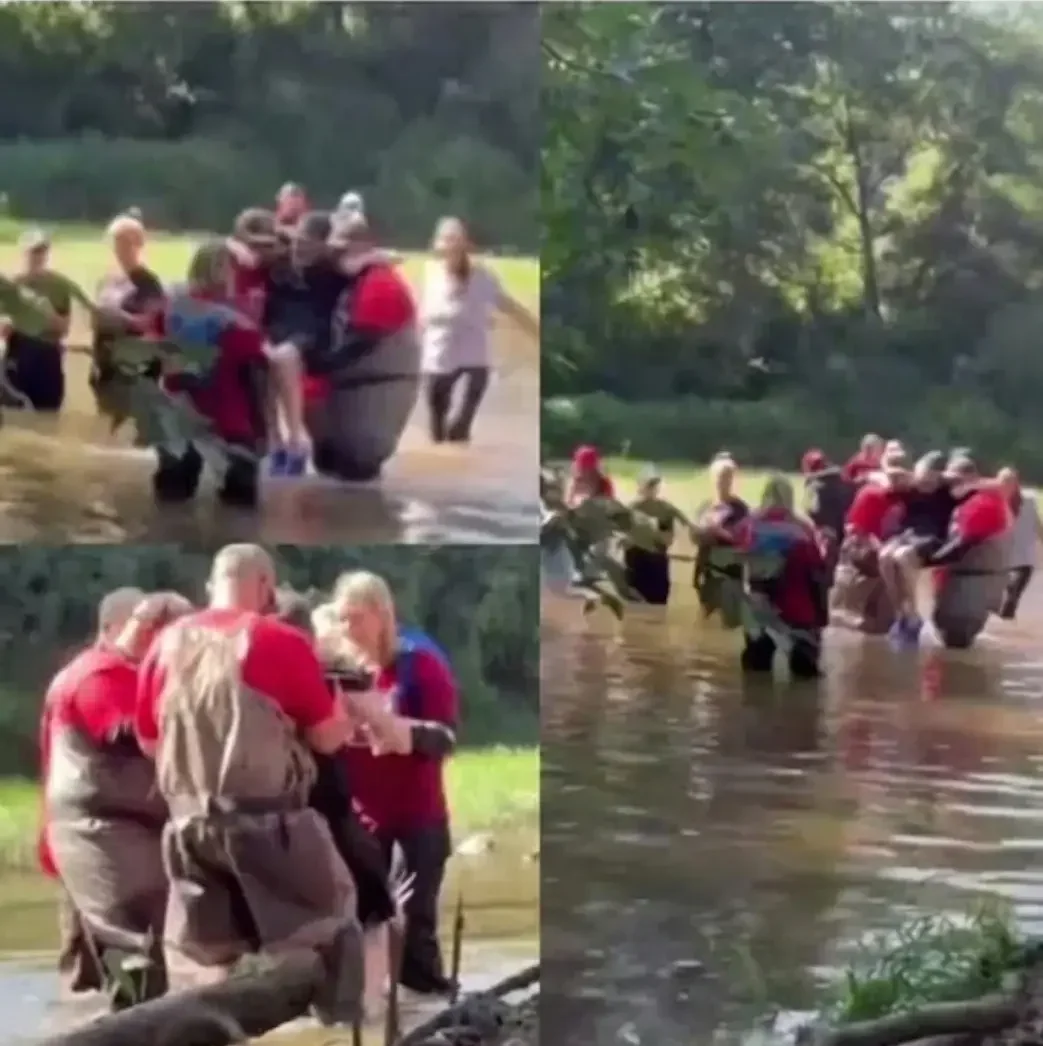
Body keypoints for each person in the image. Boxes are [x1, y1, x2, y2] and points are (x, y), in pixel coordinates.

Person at [133, 545, 401, 1023]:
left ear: (213, 585)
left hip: (188, 828)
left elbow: (149, 742)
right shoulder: (277, 639)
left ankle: (216, 1030)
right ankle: (345, 1029)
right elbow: (327, 737)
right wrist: (345, 711)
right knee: (334, 928)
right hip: (268, 824)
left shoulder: (164, 645)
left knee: (211, 957)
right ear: (264, 586)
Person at [44, 591, 193, 1007]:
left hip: (117, 831)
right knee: (134, 949)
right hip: (101, 835)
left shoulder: (124, 674)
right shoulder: (97, 675)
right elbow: (125, 733)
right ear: (145, 630)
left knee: (91, 970)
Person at [330, 571, 459, 999]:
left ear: (382, 615)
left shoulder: (419, 664)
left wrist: (403, 732)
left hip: (417, 818)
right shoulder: (340, 670)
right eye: (341, 618)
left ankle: (430, 1009)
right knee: (361, 922)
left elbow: (447, 738)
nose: (347, 628)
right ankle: (365, 1009)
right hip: (362, 820)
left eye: (356, 618)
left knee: (412, 927)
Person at [38, 587, 144, 997]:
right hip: (90, 845)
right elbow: (123, 734)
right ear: (113, 627)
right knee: (88, 966)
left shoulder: (98, 671)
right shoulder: (98, 675)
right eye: (141, 625)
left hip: (86, 840)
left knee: (91, 959)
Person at [419, 217, 539, 444]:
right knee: (436, 428)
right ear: (437, 245)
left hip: (474, 354)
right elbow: (423, 311)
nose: (451, 246)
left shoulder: (482, 276)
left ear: (465, 245)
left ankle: (461, 432)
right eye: (446, 240)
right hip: (438, 355)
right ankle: (444, 445)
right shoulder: (431, 272)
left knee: (461, 427)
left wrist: (535, 329)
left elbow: (508, 305)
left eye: (456, 240)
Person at [739, 475, 828, 678]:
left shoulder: (751, 524)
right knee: (804, 675)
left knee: (756, 673)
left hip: (760, 605)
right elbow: (817, 565)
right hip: (798, 606)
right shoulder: (803, 526)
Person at [878, 451, 956, 647]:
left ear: (938, 476)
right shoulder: (910, 488)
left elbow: (981, 483)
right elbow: (886, 479)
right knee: (885, 556)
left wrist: (943, 477)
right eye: (920, 478)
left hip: (933, 535)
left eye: (928, 479)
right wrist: (906, 476)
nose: (923, 484)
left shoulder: (947, 491)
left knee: (903, 556)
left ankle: (913, 615)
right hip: (908, 532)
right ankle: (900, 613)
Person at [91, 214, 166, 391]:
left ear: (139, 245)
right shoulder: (107, 281)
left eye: (126, 243)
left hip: (135, 373)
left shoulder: (149, 283)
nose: (120, 249)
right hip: (106, 369)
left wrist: (119, 318)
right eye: (116, 243)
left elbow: (152, 325)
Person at [1, 228, 72, 411]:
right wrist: (9, 324)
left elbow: (64, 328)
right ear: (23, 253)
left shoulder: (59, 286)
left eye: (42, 252)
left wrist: (44, 316)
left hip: (48, 356)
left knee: (48, 412)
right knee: (15, 413)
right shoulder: (10, 284)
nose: (38, 257)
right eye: (33, 252)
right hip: (18, 354)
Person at [623, 466, 688, 605]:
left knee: (657, 608)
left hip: (656, 566)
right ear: (640, 486)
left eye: (654, 484)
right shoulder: (629, 510)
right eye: (648, 484)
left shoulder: (665, 510)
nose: (651, 488)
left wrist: (651, 530)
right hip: (635, 566)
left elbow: (668, 539)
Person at [800, 448, 855, 582]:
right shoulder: (844, 482)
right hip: (846, 534)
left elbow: (809, 512)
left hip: (825, 537)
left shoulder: (814, 487)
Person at [997, 466, 1041, 620]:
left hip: (1025, 556)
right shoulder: (995, 501)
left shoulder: (1029, 501)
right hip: (1003, 555)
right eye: (1004, 481)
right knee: (1006, 593)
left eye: (1010, 481)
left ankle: (1007, 619)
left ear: (1016, 483)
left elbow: (1037, 525)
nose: (1007, 484)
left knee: (1013, 597)